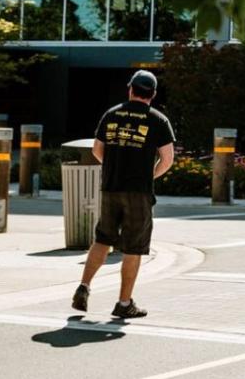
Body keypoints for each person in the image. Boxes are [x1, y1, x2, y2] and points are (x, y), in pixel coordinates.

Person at [73, 70, 175, 319]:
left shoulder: (112, 114)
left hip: (110, 188)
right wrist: (147, 175)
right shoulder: (158, 120)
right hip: (138, 193)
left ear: (130, 89)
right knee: (134, 247)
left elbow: (97, 150)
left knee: (102, 239)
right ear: (152, 94)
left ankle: (84, 286)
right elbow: (167, 159)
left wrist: (113, 168)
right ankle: (123, 303)